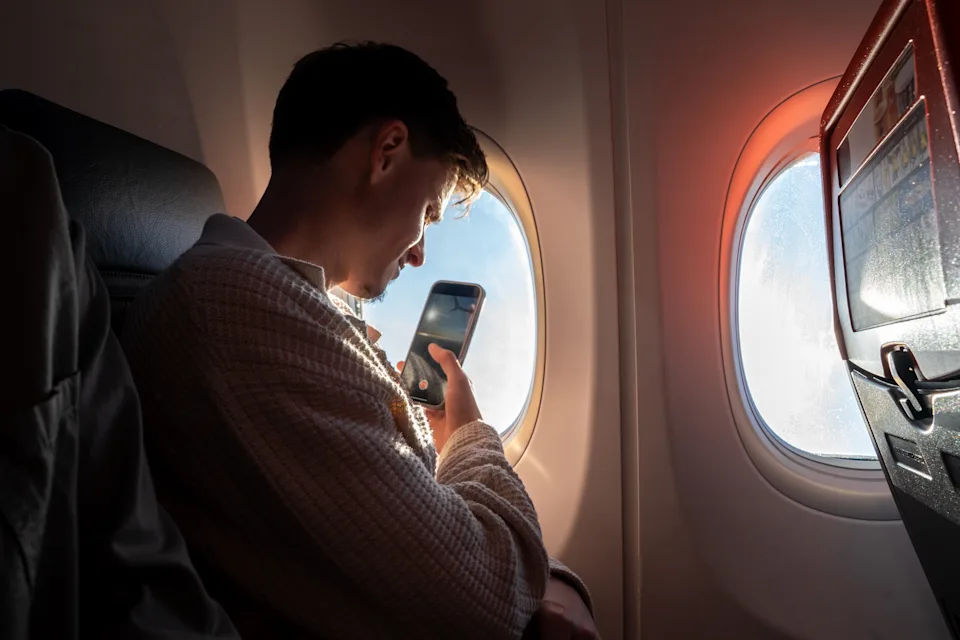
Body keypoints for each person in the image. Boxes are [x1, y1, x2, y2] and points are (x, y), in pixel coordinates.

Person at [121, 42, 599, 639]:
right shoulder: (239, 308)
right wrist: (470, 435)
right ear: (387, 152)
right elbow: (483, 598)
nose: (420, 253)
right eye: (428, 211)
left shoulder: (286, 308)